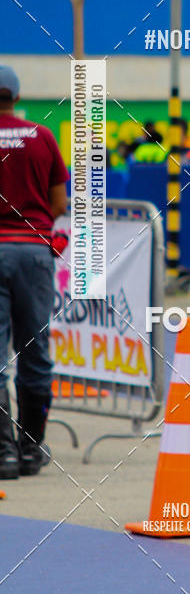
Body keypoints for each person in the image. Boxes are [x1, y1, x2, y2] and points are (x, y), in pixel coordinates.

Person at [0, 66, 68, 478]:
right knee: (35, 351)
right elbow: (59, 203)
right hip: (33, 252)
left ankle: (3, 453)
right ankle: (30, 448)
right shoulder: (41, 136)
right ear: (16, 95)